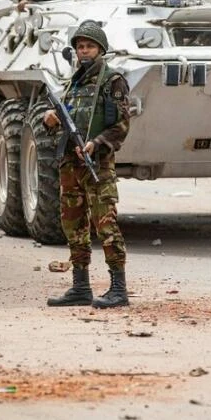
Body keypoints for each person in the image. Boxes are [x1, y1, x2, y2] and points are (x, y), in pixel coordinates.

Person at [43, 20, 131, 309]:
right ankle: (80, 286)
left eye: (89, 46)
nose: (84, 51)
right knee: (73, 224)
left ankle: (119, 288)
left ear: (100, 49)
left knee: (105, 223)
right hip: (71, 164)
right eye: (80, 46)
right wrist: (51, 121)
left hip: (98, 164)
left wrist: (97, 143)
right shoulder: (73, 82)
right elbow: (65, 124)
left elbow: (121, 125)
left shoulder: (112, 80)